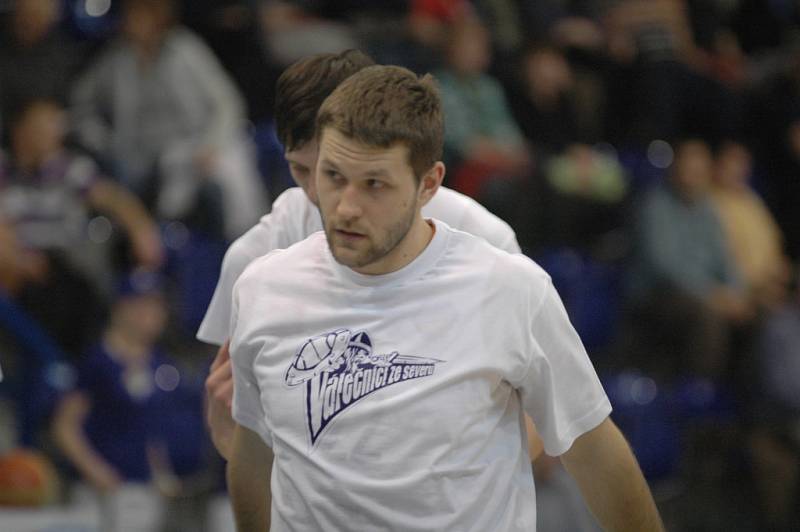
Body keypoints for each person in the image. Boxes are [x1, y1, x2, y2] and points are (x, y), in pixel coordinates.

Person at [226, 64, 664, 531]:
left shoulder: (510, 289)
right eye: (333, 175)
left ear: (429, 184)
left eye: (374, 183)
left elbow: (594, 451)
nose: (345, 206)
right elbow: (254, 453)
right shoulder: (262, 290)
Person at [199, 50, 542, 462]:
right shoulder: (254, 261)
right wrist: (233, 439)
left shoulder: (485, 241)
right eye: (301, 171)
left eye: (334, 170)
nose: (317, 194)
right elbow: (228, 418)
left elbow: (537, 425)